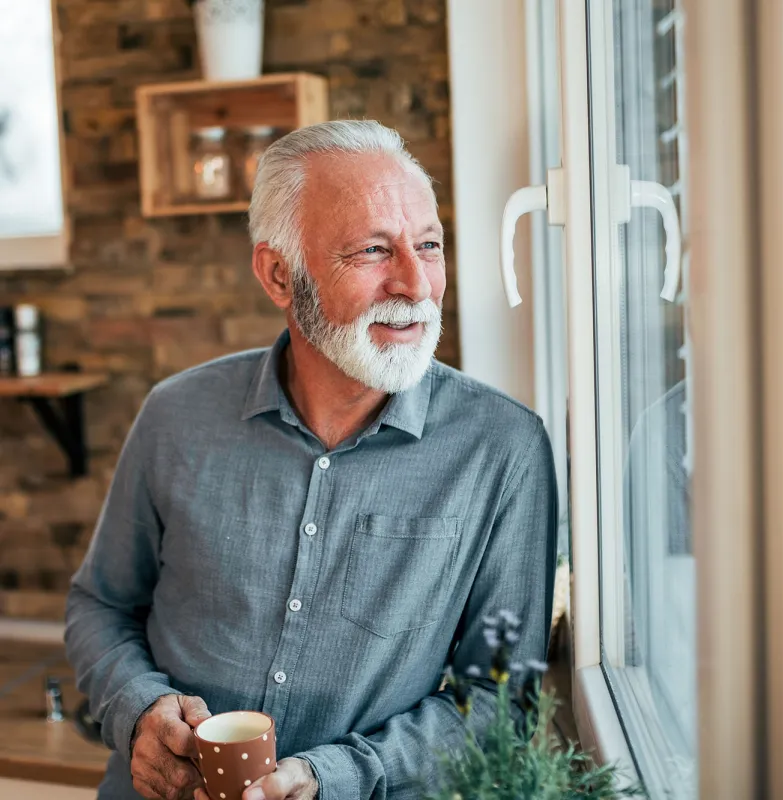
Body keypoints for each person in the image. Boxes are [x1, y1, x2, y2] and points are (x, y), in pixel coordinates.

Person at [65, 120, 558, 800]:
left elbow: (502, 702)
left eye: (430, 245)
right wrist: (138, 709)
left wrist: (335, 776)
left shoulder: (504, 449)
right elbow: (100, 606)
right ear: (278, 274)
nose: (416, 284)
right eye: (373, 251)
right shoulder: (175, 415)